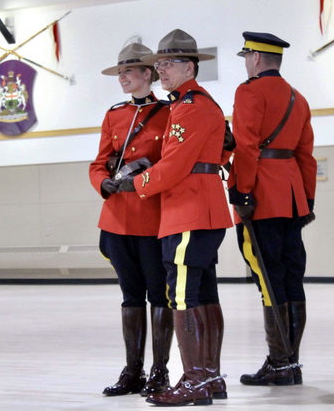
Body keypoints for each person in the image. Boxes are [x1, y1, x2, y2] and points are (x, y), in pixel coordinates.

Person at [115, 29, 233, 406]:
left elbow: (177, 164)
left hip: (188, 210)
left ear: (190, 65)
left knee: (181, 296)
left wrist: (135, 184)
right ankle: (210, 377)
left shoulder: (191, 105)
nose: (160, 70)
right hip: (201, 208)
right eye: (159, 64)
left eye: (167, 63)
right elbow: (225, 147)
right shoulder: (194, 103)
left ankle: (195, 379)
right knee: (203, 295)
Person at [227, 32, 317, 386]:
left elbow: (247, 146)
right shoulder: (298, 97)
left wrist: (241, 190)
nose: (247, 62)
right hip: (292, 196)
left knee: (268, 278)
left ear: (257, 58)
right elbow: (306, 155)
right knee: (292, 277)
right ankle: (290, 362)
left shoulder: (249, 91)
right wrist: (306, 200)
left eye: (247, 56)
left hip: (262, 195)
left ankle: (279, 363)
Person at [88, 42, 173, 397]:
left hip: (152, 217)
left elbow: (170, 162)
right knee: (130, 296)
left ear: (147, 75)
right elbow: (99, 162)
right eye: (120, 72)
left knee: (159, 295)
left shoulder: (168, 112)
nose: (122, 77)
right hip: (117, 218)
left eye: (128, 72)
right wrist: (103, 183)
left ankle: (159, 371)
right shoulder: (114, 114)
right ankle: (132, 371)